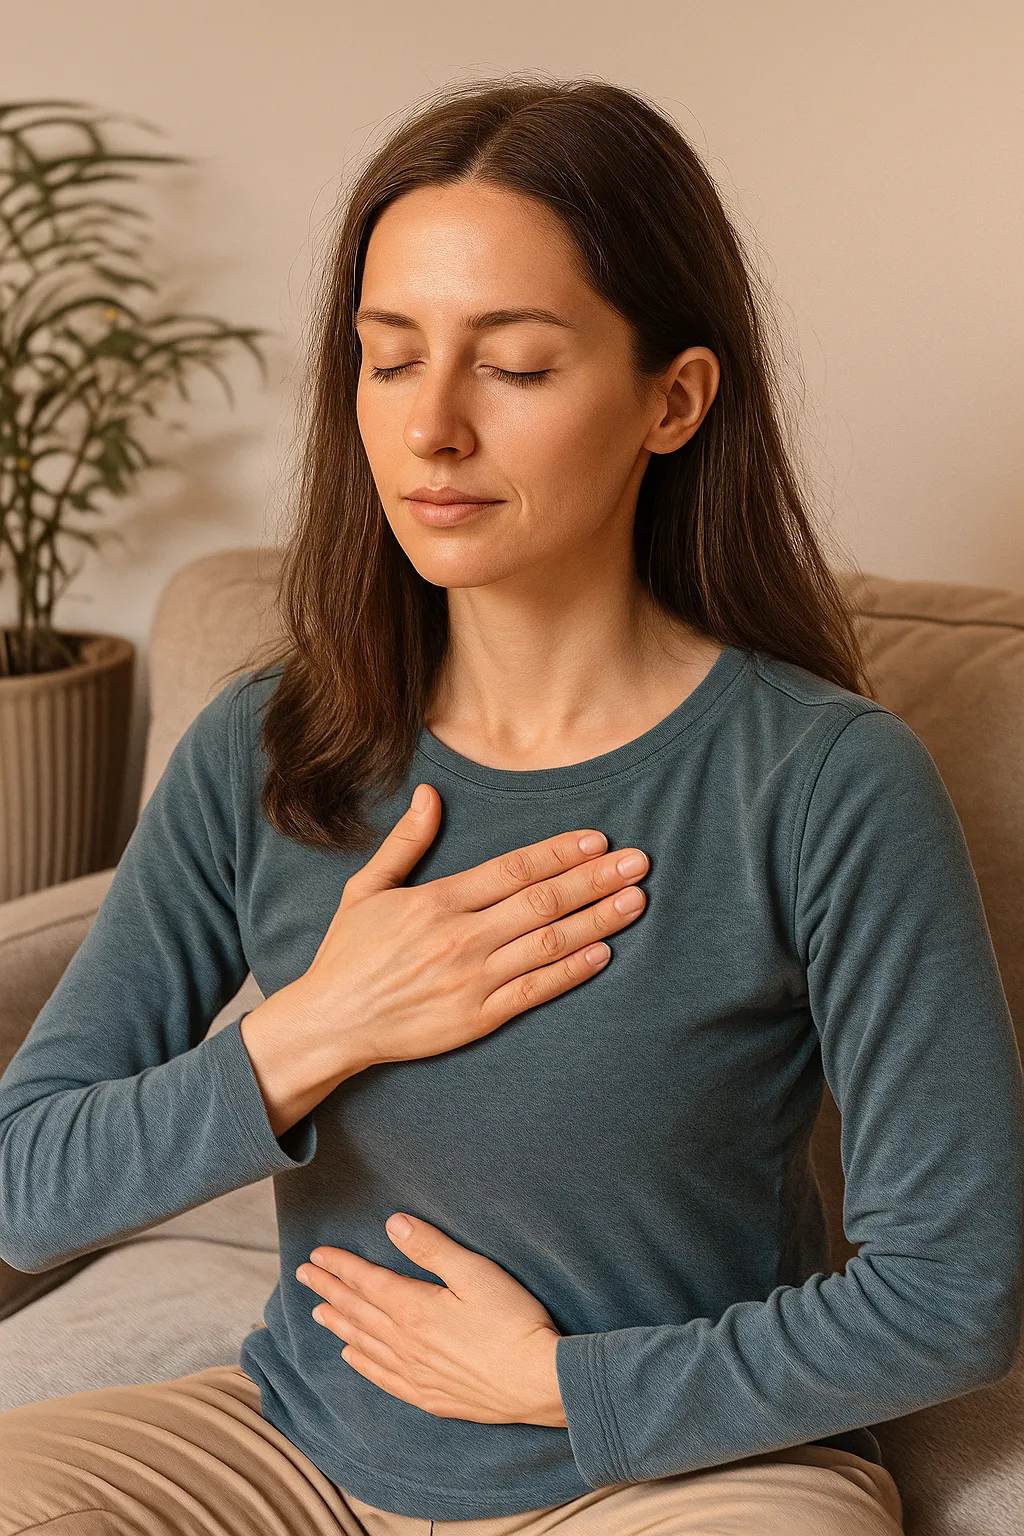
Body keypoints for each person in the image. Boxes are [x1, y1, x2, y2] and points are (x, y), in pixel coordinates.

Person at [0, 73, 1020, 1536]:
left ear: (672, 399)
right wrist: (319, 1028)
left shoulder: (822, 783)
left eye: (518, 367)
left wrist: (565, 1384)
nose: (432, 429)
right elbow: (24, 1187)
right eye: (390, 357)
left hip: (677, 1479)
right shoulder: (270, 745)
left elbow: (953, 1297)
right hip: (294, 1453)